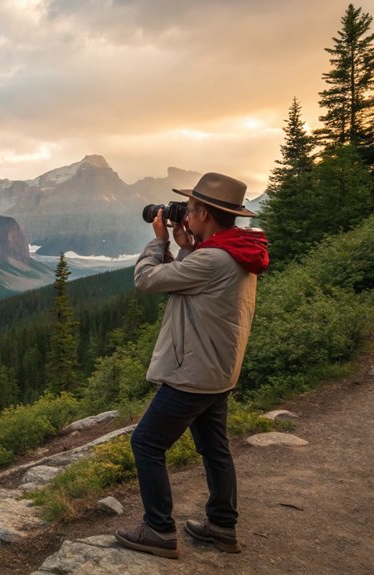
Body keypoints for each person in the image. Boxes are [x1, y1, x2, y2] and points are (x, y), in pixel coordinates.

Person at [114, 172, 269, 559]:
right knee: (215, 448)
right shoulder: (234, 252)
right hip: (217, 371)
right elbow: (192, 284)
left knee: (146, 443)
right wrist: (186, 247)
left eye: (191, 209)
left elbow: (147, 279)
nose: (185, 214)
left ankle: (159, 530)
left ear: (203, 213)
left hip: (192, 375)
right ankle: (221, 526)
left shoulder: (214, 258)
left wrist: (160, 240)